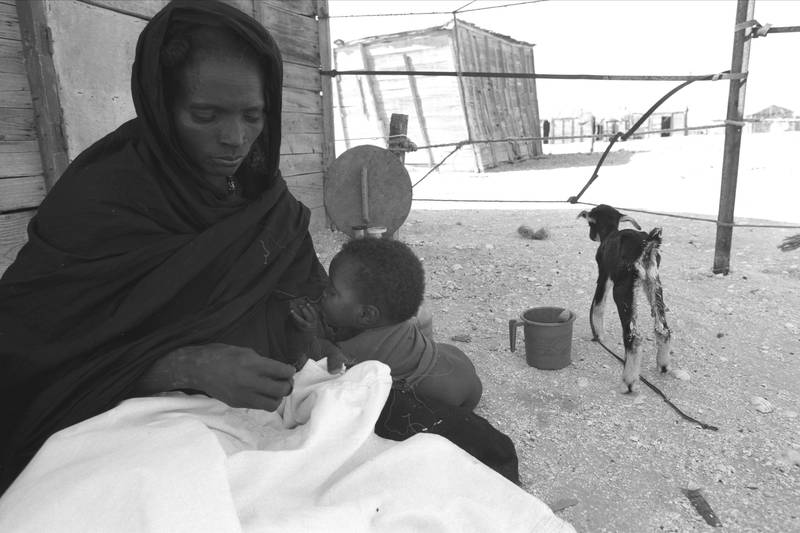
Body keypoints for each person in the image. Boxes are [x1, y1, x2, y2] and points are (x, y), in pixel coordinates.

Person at [0, 0, 327, 492]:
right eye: (205, 115)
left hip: (270, 424)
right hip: (129, 438)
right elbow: (28, 358)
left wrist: (334, 327)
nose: (235, 139)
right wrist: (182, 366)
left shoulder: (261, 195)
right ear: (160, 105)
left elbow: (308, 297)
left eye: (253, 115)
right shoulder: (97, 202)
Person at [290, 237, 483, 410]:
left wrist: (310, 333)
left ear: (366, 315)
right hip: (459, 364)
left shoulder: (357, 351)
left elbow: (326, 365)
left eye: (332, 292)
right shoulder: (393, 319)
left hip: (448, 394)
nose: (323, 292)